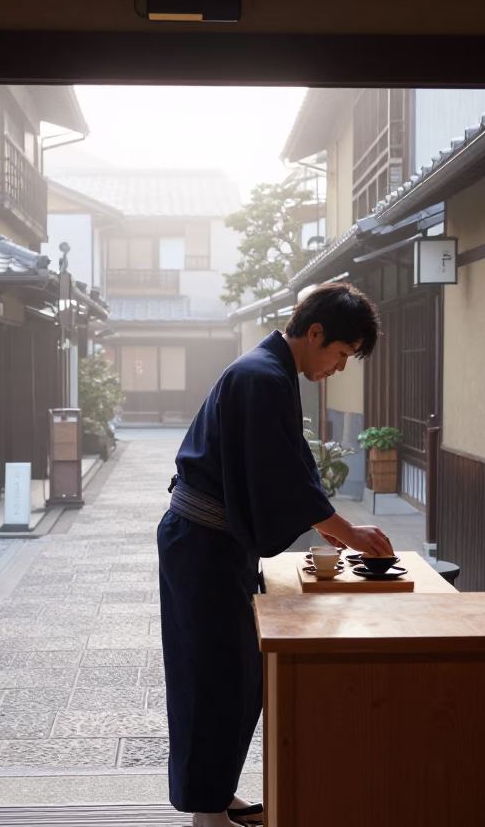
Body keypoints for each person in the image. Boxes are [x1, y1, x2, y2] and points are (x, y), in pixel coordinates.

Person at [157, 283, 394, 827]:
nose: (339, 367)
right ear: (315, 333)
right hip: (201, 543)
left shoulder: (272, 373)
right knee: (211, 677)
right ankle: (204, 811)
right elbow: (283, 480)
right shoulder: (260, 377)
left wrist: (331, 525)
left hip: (218, 544)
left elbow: (292, 473)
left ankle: (216, 794)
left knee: (240, 676)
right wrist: (346, 531)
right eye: (340, 353)